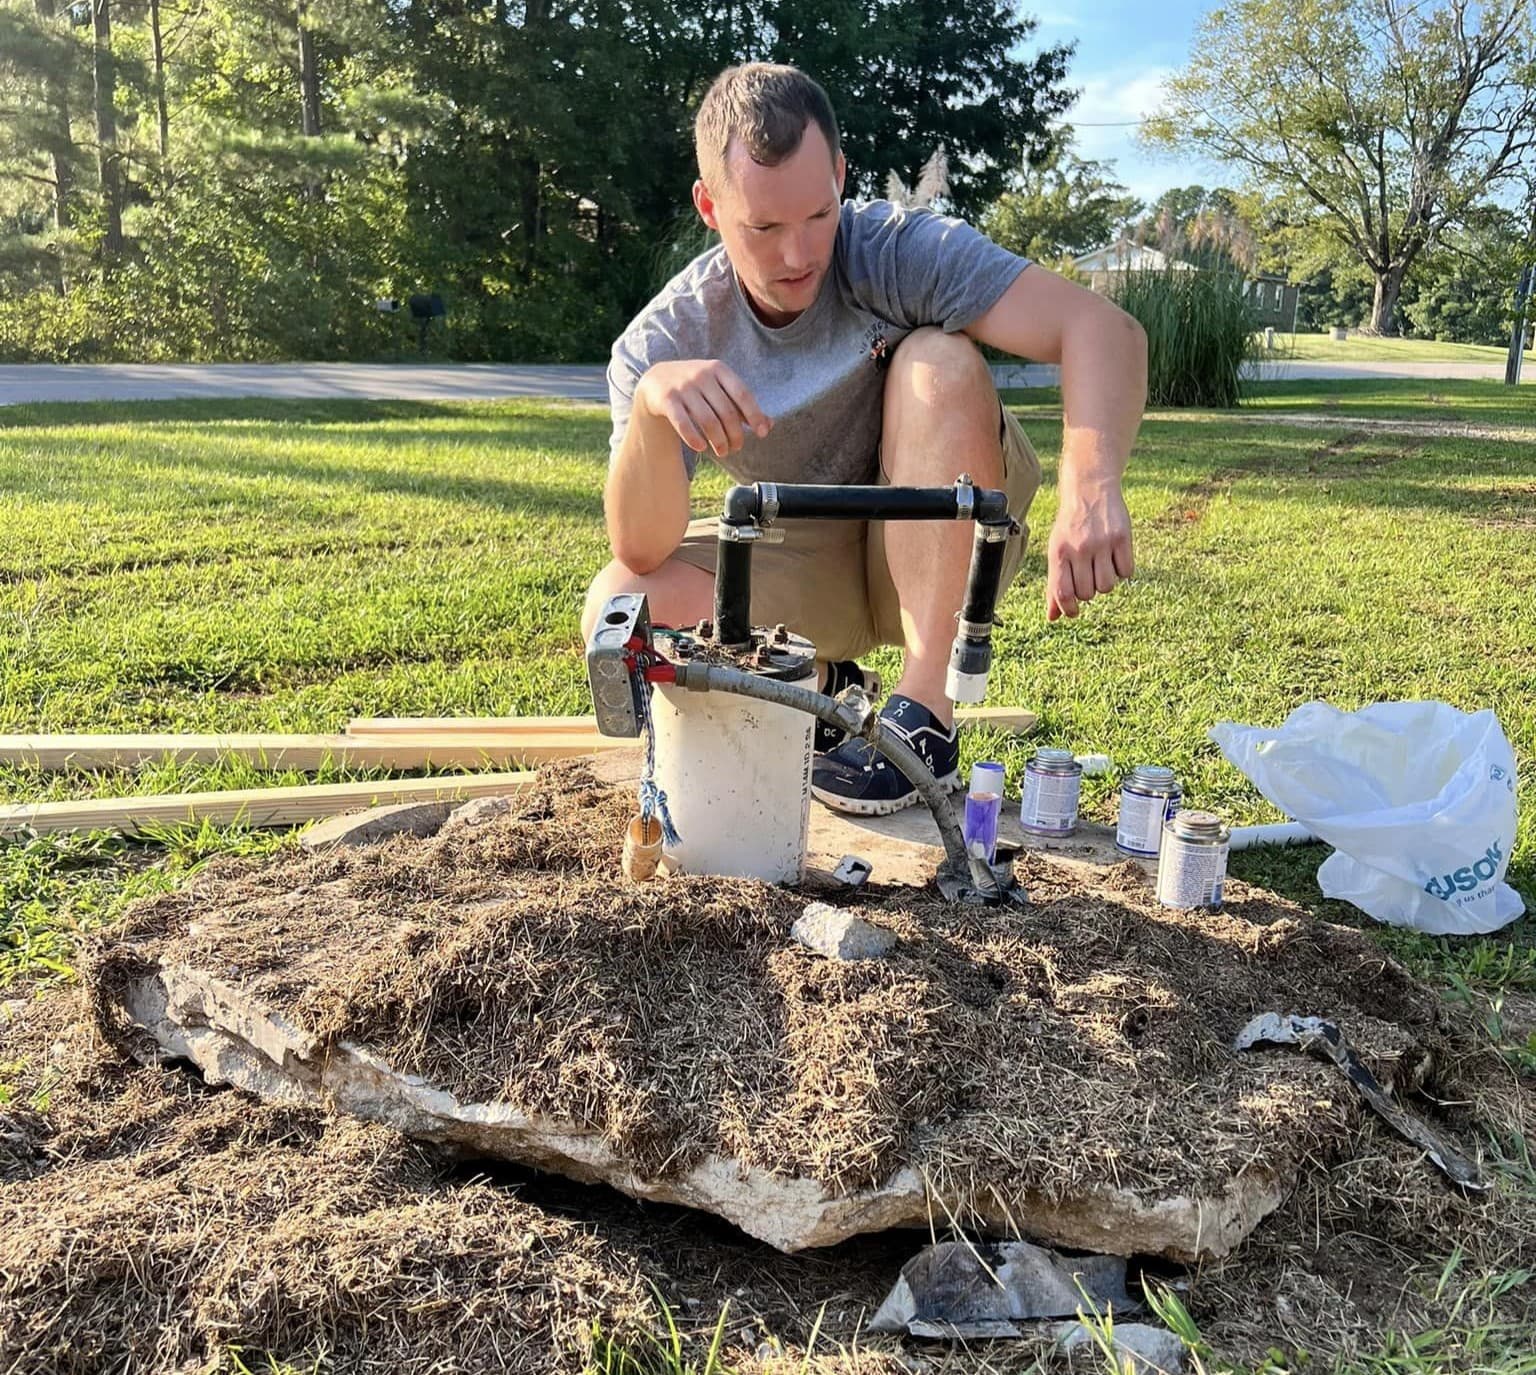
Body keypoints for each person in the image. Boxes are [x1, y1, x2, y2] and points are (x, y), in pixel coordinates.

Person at [583, 62, 1145, 816]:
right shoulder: (665, 338)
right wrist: (655, 409)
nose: (798, 255)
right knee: (621, 606)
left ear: (841, 176)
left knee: (938, 357)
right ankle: (822, 692)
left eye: (819, 214)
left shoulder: (895, 249)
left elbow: (1101, 328)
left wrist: (1091, 486)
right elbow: (640, 547)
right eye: (764, 228)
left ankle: (925, 712)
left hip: (937, 523)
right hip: (806, 558)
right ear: (709, 206)